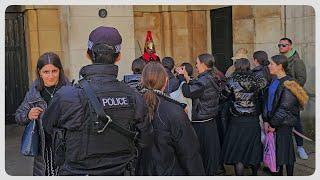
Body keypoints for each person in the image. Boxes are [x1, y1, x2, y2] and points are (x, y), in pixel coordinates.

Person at [42, 26, 153, 175]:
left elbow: (47, 126)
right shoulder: (134, 96)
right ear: (118, 56)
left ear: (88, 54)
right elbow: (145, 140)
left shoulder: (66, 96)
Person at [137, 62, 205, 175]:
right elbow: (190, 154)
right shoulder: (175, 111)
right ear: (165, 81)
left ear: (142, 80)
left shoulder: (133, 107)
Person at [15, 52, 70, 176]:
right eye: (46, 72)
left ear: (60, 70)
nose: (51, 76)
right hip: (44, 149)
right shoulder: (34, 92)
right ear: (39, 72)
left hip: (67, 147)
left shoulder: (70, 89)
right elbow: (18, 116)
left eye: (54, 71)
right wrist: (28, 115)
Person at [263, 55, 309, 175]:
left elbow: (284, 108)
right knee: (279, 152)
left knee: (285, 153)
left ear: (280, 66)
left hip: (283, 124)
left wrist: (273, 124)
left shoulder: (289, 83)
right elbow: (268, 101)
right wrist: (266, 120)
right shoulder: (274, 80)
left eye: (272, 64)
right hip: (274, 122)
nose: (269, 65)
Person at [176, 53, 221, 175]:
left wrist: (181, 77)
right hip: (209, 121)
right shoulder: (211, 76)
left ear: (204, 64)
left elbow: (188, 92)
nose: (195, 66)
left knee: (203, 157)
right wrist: (187, 78)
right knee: (210, 156)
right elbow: (198, 88)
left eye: (197, 63)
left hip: (202, 124)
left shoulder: (204, 80)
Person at [221, 58, 266, 176]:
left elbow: (223, 97)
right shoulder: (257, 80)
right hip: (253, 119)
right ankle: (254, 175)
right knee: (254, 149)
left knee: (238, 151)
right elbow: (262, 98)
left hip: (237, 120)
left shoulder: (231, 80)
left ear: (236, 67)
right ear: (248, 66)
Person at [278, 37, 308, 160]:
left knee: (296, 122)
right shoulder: (279, 59)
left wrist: (288, 84)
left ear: (290, 46)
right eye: (279, 45)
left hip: (292, 96)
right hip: (280, 96)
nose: (281, 47)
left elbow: (302, 79)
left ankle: (300, 147)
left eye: (284, 45)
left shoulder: (297, 61)